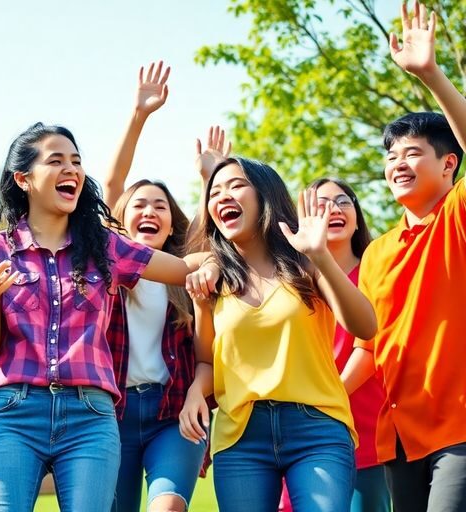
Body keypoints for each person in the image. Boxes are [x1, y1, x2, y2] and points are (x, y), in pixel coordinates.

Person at [0, 122, 208, 511]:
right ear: (23, 179)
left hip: (90, 416)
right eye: (56, 161)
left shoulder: (105, 247)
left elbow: (183, 268)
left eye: (76, 161)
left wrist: (229, 256)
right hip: (14, 412)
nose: (72, 169)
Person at [179, 157, 377, 511]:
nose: (223, 195)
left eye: (236, 185)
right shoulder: (213, 276)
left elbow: (364, 327)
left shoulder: (305, 264)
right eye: (215, 191)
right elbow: (207, 359)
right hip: (241, 435)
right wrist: (196, 390)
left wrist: (321, 257)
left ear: (265, 193)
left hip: (317, 427)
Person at [341, 3, 466, 510]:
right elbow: (369, 347)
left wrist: (431, 74)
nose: (398, 163)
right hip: (397, 436)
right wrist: (323, 394)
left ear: (449, 163)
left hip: (459, 425)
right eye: (390, 157)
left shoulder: (456, 217)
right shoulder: (376, 253)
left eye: (412, 152)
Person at [103, 61, 224, 512]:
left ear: (172, 220)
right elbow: (111, 184)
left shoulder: (184, 271)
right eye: (139, 204)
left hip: (173, 412)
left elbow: (210, 238)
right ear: (121, 216)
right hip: (109, 415)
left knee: (168, 506)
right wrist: (139, 116)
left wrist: (210, 177)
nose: (149, 211)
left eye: (159, 205)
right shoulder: (105, 262)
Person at [279, 178, 389, 512]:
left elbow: (371, 346)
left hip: (365, 428)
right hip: (300, 430)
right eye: (320, 203)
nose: (333, 209)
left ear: (357, 215)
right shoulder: (293, 281)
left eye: (343, 201)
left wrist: (327, 399)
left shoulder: (378, 268)